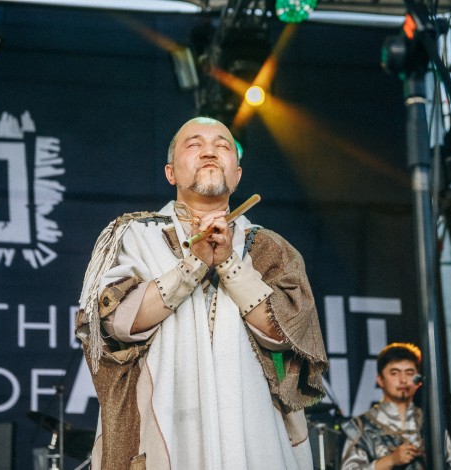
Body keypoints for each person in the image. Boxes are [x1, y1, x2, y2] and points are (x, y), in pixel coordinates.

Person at [76, 116, 329, 470]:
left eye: (222, 146)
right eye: (194, 145)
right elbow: (116, 323)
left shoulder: (270, 249)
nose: (210, 152)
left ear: (237, 175)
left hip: (253, 433)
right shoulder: (133, 235)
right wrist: (192, 266)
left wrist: (228, 263)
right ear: (170, 173)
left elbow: (286, 333)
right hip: (164, 426)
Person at [340, 343, 451, 470]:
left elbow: (450, 464)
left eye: (409, 373)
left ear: (418, 380)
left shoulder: (433, 422)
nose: (403, 380)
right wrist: (390, 461)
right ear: (380, 379)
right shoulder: (360, 427)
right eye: (394, 373)